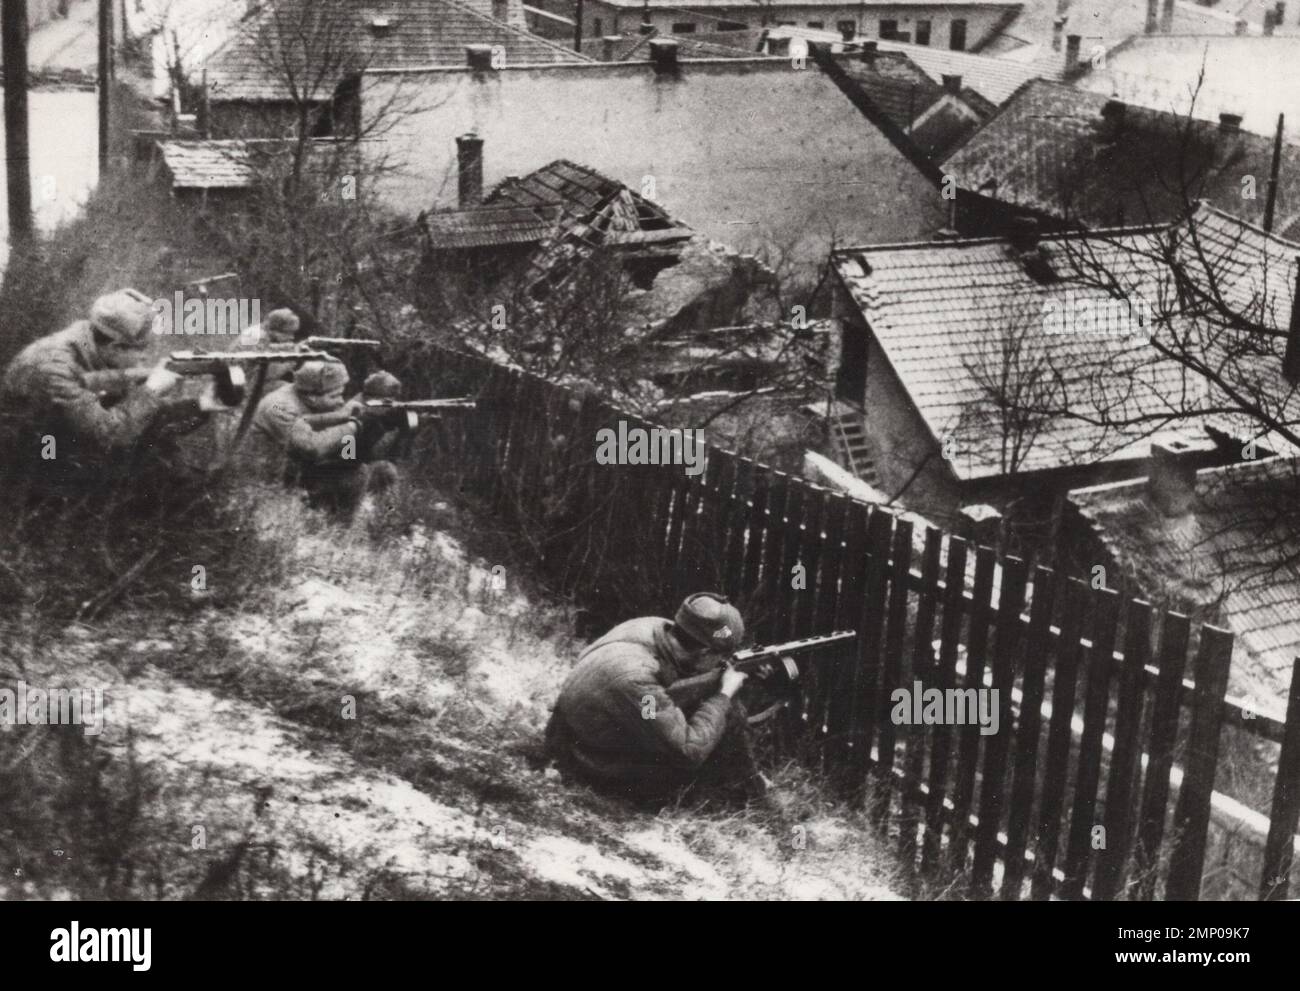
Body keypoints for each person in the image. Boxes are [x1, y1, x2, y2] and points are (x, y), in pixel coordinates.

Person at [545, 592, 771, 807]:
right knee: (724, 715)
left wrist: (736, 673)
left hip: (571, 732)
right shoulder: (638, 681)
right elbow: (688, 751)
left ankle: (752, 783)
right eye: (721, 658)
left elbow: (675, 684)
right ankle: (751, 797)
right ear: (703, 653)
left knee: (713, 713)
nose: (724, 663)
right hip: (586, 761)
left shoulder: (651, 626)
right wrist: (724, 693)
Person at [0, 289, 209, 489]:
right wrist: (151, 391)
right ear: (115, 347)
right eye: (142, 350)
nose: (145, 358)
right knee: (145, 475)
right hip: (31, 467)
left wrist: (203, 405)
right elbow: (108, 436)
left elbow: (139, 416)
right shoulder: (54, 368)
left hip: (57, 446)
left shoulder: (90, 348)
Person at [249, 358, 403, 514]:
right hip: (272, 479)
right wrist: (352, 425)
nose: (340, 400)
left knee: (383, 470)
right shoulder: (278, 407)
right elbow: (313, 447)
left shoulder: (308, 398)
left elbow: (345, 452)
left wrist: (374, 426)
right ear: (313, 397)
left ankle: (386, 519)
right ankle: (338, 531)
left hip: (300, 468)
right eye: (335, 396)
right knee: (356, 475)